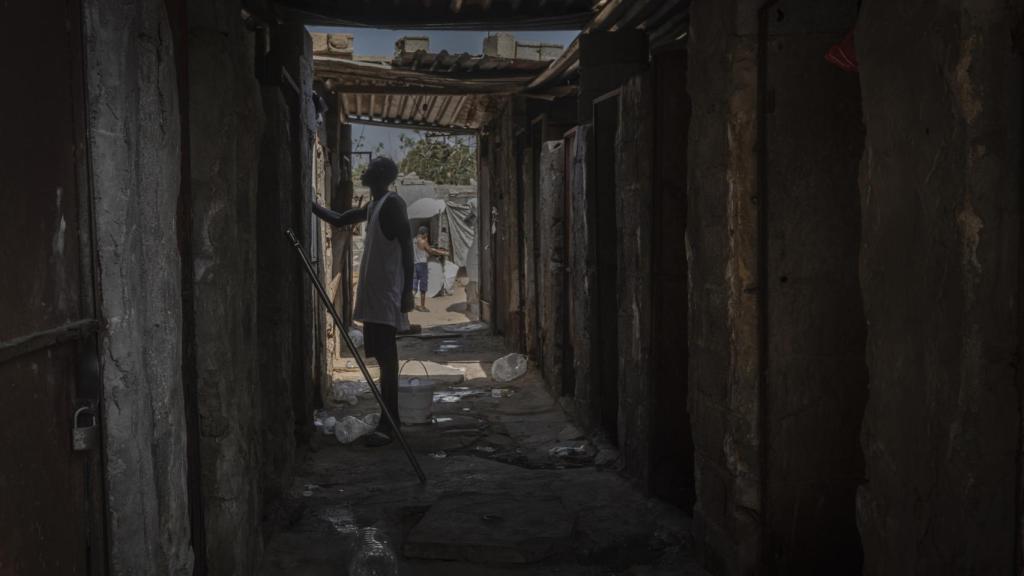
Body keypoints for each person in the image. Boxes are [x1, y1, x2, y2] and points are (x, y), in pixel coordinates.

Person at [312, 157, 413, 447]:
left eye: (370, 169)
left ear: (380, 175)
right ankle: (388, 419)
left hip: (385, 295)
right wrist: (312, 205)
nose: (363, 171)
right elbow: (341, 219)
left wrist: (407, 291)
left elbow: (407, 245)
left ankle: (389, 423)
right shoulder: (375, 205)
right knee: (383, 357)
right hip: (376, 295)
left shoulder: (393, 204)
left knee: (387, 360)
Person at [412, 226, 448, 312]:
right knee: (423, 286)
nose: (427, 235)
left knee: (414, 286)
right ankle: (422, 306)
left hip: (414, 264)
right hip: (422, 265)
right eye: (427, 234)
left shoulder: (414, 240)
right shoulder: (423, 241)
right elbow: (431, 252)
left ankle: (411, 304)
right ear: (424, 233)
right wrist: (443, 253)